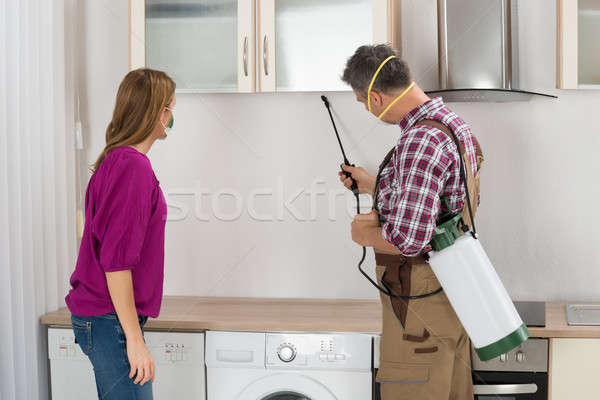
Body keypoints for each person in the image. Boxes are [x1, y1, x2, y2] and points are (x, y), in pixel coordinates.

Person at [339, 44, 483, 399]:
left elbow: (409, 241)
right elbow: (447, 202)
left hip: (419, 308)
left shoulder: (419, 140)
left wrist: (364, 234)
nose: (366, 109)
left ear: (374, 97)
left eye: (361, 101)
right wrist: (375, 183)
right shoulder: (451, 125)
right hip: (452, 295)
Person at [65, 68, 176, 400]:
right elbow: (116, 264)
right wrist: (134, 340)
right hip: (108, 319)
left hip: (104, 317)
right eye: (170, 107)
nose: (172, 117)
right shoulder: (133, 167)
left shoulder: (116, 160)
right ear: (157, 113)